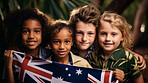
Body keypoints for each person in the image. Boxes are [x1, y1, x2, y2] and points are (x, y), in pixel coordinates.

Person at [69, 5, 146, 70]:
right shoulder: (67, 47)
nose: (84, 38)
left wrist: (134, 54)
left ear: (97, 33)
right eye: (79, 33)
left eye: (90, 33)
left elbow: (117, 47)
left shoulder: (98, 47)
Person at [87, 11, 144, 83]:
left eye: (113, 34)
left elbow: (139, 81)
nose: (108, 38)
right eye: (103, 34)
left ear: (122, 37)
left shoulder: (129, 58)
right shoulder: (93, 56)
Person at [3, 8, 52, 83]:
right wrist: (8, 66)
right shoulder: (12, 56)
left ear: (44, 32)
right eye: (25, 31)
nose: (31, 36)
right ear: (18, 33)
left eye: (36, 31)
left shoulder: (51, 55)